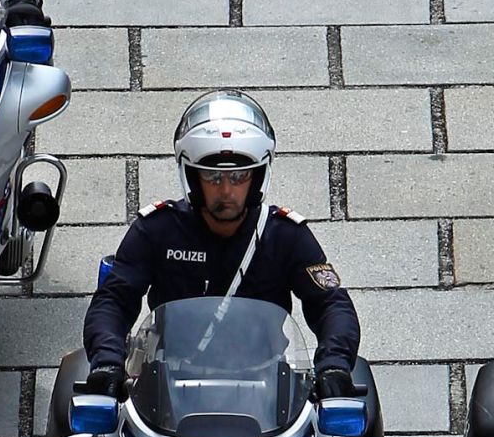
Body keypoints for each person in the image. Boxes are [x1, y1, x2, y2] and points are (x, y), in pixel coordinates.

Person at [81, 91, 361, 403]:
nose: (226, 190)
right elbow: (115, 300)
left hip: (265, 390)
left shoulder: (285, 235)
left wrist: (334, 366)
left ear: (257, 178)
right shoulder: (156, 229)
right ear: (191, 176)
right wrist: (107, 362)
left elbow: (331, 304)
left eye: (238, 176)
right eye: (212, 176)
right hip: (166, 390)